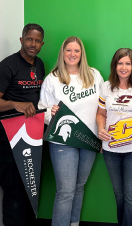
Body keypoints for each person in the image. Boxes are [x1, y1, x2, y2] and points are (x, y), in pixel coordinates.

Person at [38, 36, 104, 226]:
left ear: (82, 53)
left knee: (79, 186)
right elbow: (42, 110)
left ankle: (73, 225)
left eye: (76, 51)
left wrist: (102, 136)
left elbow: (103, 107)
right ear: (62, 53)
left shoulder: (94, 75)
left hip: (89, 140)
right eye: (69, 50)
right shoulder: (53, 79)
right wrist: (50, 112)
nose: (72, 54)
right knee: (65, 191)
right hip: (62, 141)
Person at [0, 23, 45, 226]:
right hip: (9, 138)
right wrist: (15, 104)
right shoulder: (7, 66)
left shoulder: (39, 65)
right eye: (29, 39)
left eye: (38, 41)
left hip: (33, 136)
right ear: (22, 40)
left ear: (42, 44)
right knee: (13, 191)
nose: (33, 44)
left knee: (31, 187)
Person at [96, 48, 132, 226]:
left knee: (130, 195)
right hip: (111, 148)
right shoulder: (106, 86)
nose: (124, 67)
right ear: (115, 65)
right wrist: (100, 128)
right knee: (118, 194)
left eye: (127, 63)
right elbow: (100, 113)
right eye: (120, 63)